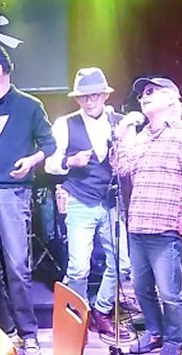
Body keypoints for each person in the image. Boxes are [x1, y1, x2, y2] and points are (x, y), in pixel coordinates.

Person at [0, 44, 56, 355]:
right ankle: (6, 329)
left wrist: (31, 161)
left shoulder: (29, 106)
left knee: (17, 266)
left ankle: (28, 332)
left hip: (14, 194)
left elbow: (50, 144)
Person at [113, 77, 182, 355]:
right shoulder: (141, 136)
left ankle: (174, 341)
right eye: (142, 94)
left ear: (170, 98)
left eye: (151, 92)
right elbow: (121, 168)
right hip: (138, 225)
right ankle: (154, 332)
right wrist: (123, 134)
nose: (144, 97)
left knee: (169, 292)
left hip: (165, 227)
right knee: (141, 287)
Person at [44, 67, 132, 340]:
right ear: (77, 99)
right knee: (79, 268)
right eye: (83, 97)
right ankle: (78, 315)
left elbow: (131, 160)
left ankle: (101, 311)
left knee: (122, 264)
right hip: (80, 201)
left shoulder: (121, 123)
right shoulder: (65, 124)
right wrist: (70, 161)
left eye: (94, 95)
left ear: (105, 96)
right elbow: (49, 164)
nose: (89, 101)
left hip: (111, 202)